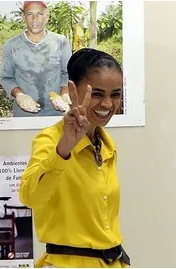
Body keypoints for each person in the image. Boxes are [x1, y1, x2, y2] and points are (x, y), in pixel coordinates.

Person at [19, 48, 131, 268]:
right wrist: (64, 148)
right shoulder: (50, 140)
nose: (108, 104)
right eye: (97, 94)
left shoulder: (106, 145)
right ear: (72, 91)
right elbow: (30, 197)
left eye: (115, 94)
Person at [0, 1, 72, 117]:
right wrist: (19, 95)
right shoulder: (12, 45)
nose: (35, 19)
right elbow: (6, 77)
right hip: (23, 115)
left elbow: (67, 73)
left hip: (56, 114)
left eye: (40, 14)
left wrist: (64, 95)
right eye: (30, 14)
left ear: (47, 16)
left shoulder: (61, 42)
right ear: (24, 17)